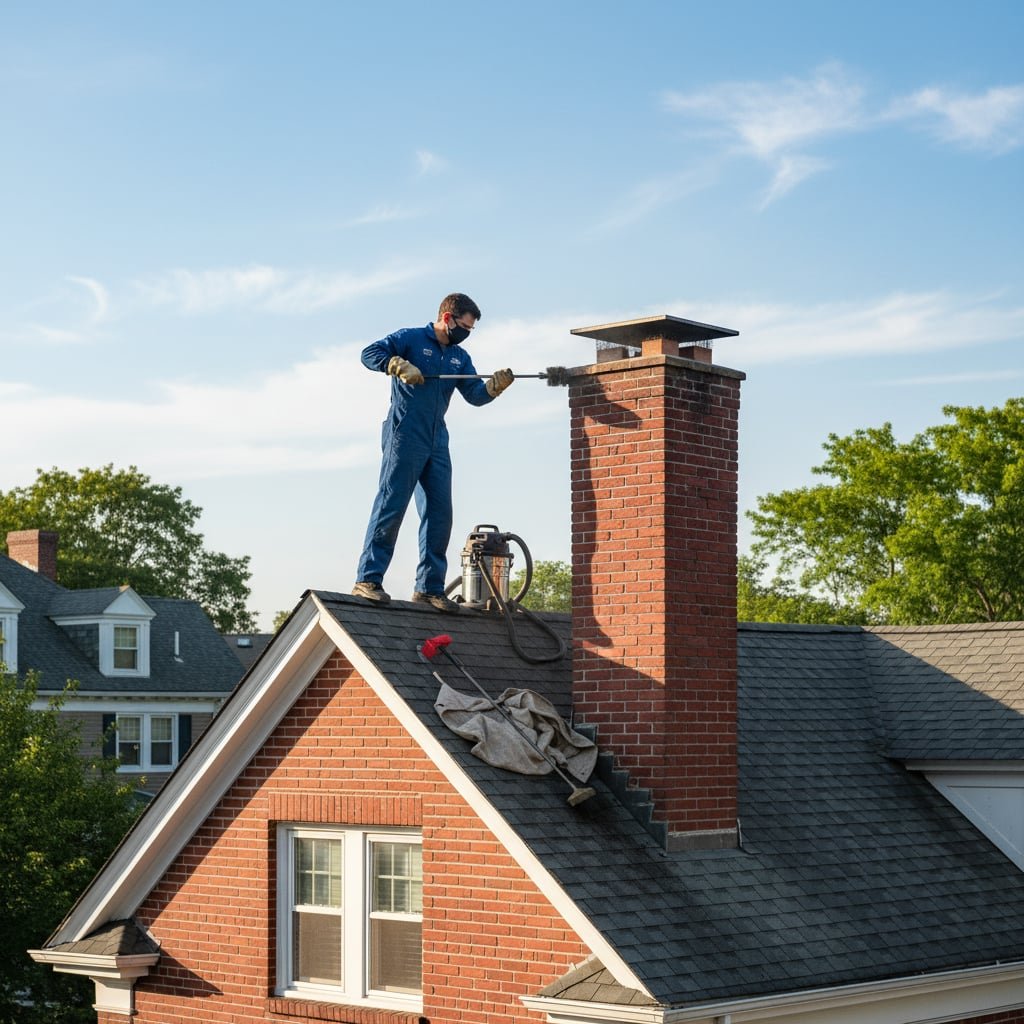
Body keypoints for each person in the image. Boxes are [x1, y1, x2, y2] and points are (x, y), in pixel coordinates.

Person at [352, 293, 514, 612]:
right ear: (447, 318)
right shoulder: (410, 338)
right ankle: (367, 579)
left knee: (440, 512)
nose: (466, 332)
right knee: (392, 504)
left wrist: (494, 387)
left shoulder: (460, 358)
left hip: (437, 438)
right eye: (464, 326)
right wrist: (395, 364)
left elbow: (475, 396)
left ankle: (429, 588)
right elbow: (368, 353)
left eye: (471, 329)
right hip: (405, 432)